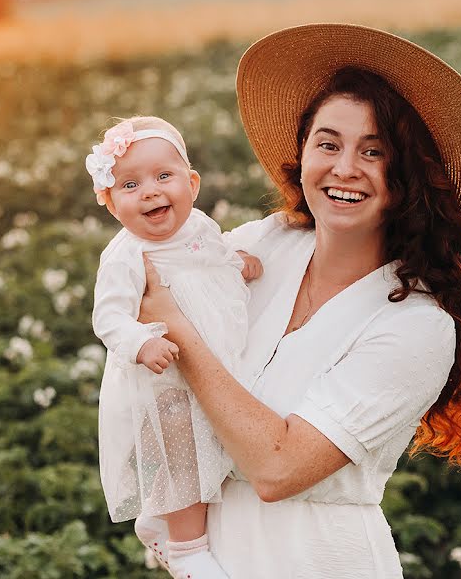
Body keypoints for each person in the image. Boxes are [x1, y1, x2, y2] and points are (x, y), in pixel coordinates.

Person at [135, 24, 461, 578]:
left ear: (407, 176)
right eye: (328, 143)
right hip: (205, 559)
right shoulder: (256, 246)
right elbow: (145, 334)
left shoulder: (417, 324)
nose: (344, 168)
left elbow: (278, 467)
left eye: (374, 151)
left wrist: (180, 332)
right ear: (303, 152)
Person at [88, 116, 262, 579]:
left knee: (219, 439)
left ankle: (171, 523)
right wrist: (140, 343)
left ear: (192, 183)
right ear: (110, 203)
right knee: (179, 450)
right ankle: (186, 549)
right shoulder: (126, 256)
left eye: (163, 176)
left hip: (215, 361)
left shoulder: (201, 227)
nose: (149, 191)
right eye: (129, 184)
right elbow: (108, 317)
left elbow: (213, 255)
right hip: (164, 379)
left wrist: (235, 263)